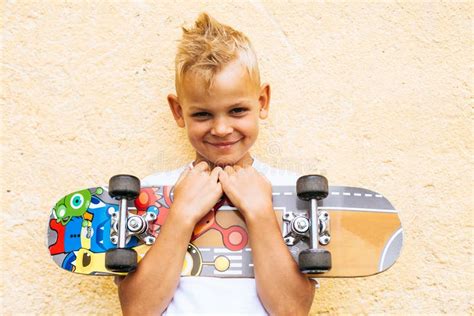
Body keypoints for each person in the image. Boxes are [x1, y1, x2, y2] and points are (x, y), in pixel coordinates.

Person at [115, 13, 316, 315]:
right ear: (178, 111)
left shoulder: (298, 195)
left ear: (262, 102)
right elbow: (138, 310)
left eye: (237, 110)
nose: (221, 129)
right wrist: (181, 214)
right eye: (202, 115)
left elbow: (291, 311)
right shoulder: (148, 194)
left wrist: (261, 213)